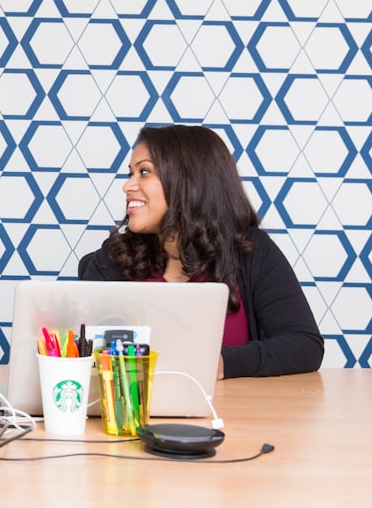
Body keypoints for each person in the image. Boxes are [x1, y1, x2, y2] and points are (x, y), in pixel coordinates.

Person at [79, 124, 324, 379]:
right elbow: (85, 355)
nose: (128, 186)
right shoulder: (113, 258)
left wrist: (220, 364)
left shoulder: (251, 251)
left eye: (144, 172)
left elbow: (304, 345)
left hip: (234, 414)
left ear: (188, 180)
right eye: (131, 173)